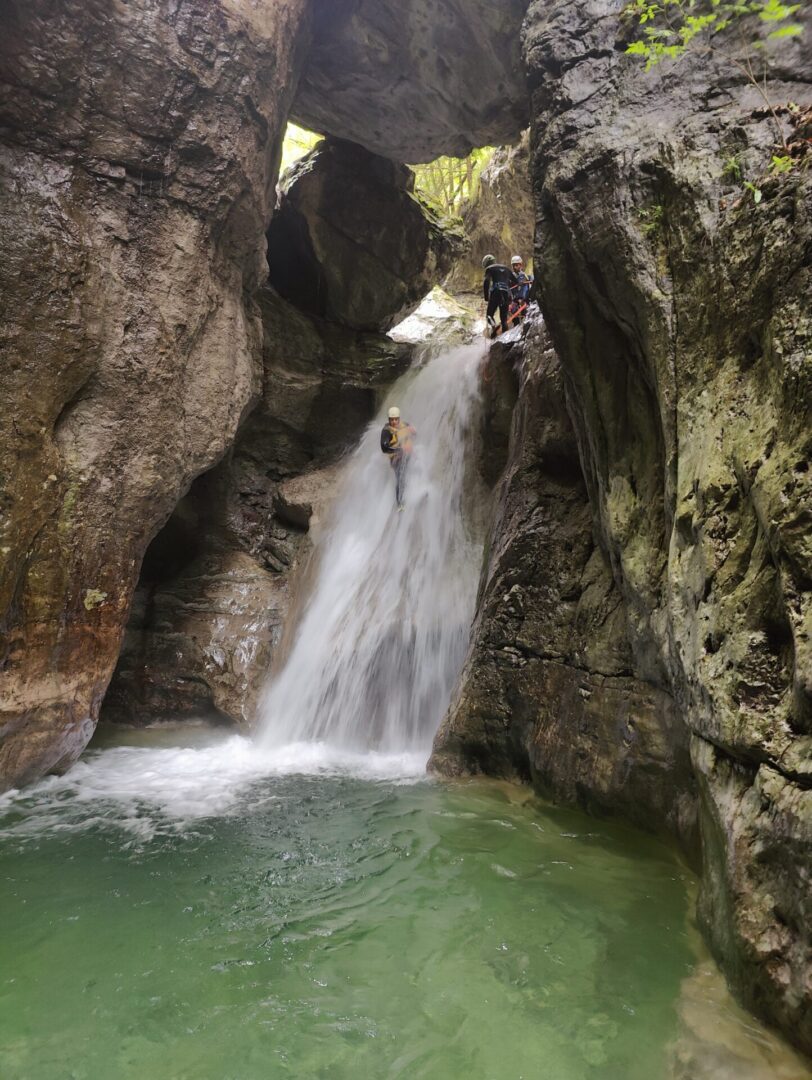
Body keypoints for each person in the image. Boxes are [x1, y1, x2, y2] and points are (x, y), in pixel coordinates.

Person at [380, 406, 416, 509]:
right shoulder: (386, 431)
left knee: (413, 471)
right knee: (401, 476)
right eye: (392, 419)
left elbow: (414, 435)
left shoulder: (405, 425)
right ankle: (400, 503)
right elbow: (384, 447)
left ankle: (417, 491)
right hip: (396, 459)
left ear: (399, 418)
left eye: (396, 419)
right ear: (389, 419)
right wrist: (399, 450)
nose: (394, 422)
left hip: (408, 455)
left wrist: (413, 432)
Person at [482, 254, 518, 337]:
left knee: (489, 315)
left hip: (496, 292)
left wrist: (486, 297)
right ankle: (505, 338)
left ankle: (494, 326)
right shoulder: (506, 268)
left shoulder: (490, 268)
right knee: (504, 319)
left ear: (486, 263)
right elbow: (515, 282)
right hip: (507, 294)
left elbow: (486, 282)